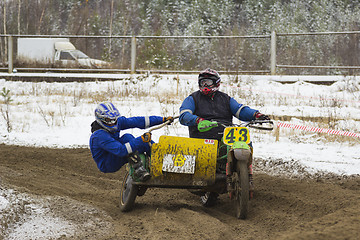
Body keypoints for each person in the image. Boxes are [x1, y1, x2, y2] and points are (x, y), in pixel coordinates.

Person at [179, 68, 270, 203]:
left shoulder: (225, 99)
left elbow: (240, 110)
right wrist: (198, 120)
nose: (205, 85)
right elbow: (184, 115)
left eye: (208, 82)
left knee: (246, 143)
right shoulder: (192, 98)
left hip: (226, 134)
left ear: (216, 83)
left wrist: (256, 115)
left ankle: (247, 174)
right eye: (202, 82)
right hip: (202, 137)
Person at [89, 102, 174, 181]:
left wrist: (162, 119)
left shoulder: (117, 122)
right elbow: (121, 150)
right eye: (109, 120)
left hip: (117, 151)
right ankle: (139, 170)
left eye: (114, 119)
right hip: (107, 163)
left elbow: (138, 121)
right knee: (128, 138)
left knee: (144, 142)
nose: (113, 122)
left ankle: (163, 162)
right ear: (100, 120)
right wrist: (141, 139)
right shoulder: (99, 136)